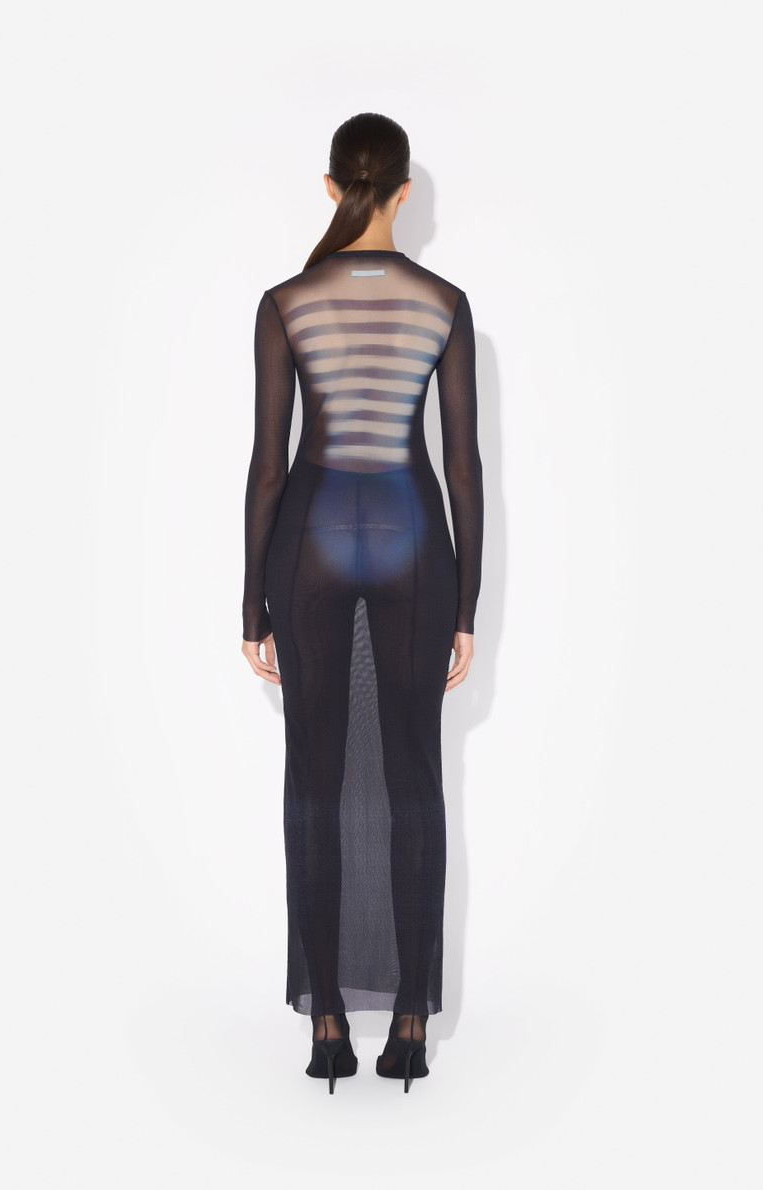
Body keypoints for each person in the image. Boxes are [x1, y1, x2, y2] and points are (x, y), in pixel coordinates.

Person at [241, 112, 484, 1093]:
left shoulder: (286, 302)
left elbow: (267, 467)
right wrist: (466, 608)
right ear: (404, 191)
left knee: (313, 779)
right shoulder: (444, 303)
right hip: (414, 542)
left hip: (307, 545)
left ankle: (328, 1024)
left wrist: (248, 606)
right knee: (415, 777)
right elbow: (463, 468)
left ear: (332, 185)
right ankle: (412, 1024)